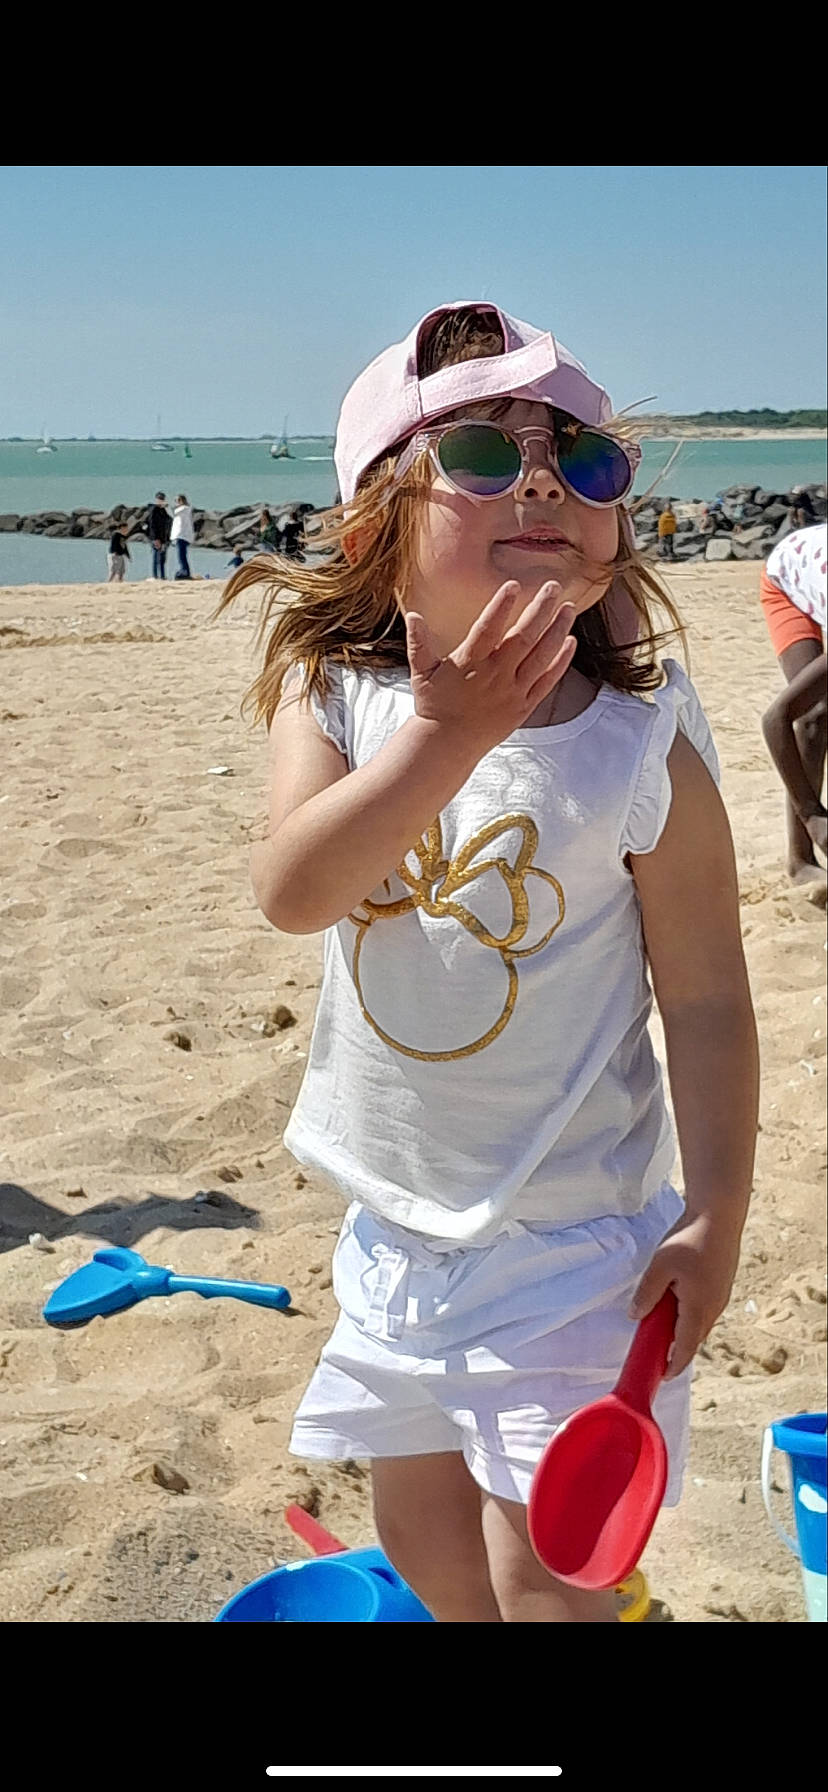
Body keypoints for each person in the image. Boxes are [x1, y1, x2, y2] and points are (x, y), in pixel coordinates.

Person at [215, 300, 759, 1623]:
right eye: (476, 453)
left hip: (577, 1248)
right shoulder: (338, 691)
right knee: (429, 1552)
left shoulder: (637, 743)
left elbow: (706, 997)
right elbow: (297, 891)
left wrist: (714, 1217)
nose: (539, 478)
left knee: (547, 1583)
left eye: (582, 458)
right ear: (370, 533)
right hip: (396, 1234)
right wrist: (443, 740)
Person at [759, 522, 827, 893]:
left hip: (816, 567)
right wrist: (813, 814)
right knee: (814, 715)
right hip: (786, 579)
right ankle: (801, 860)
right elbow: (775, 720)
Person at [147, 492, 171, 580]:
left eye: (162, 499)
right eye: (159, 499)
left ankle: (163, 576)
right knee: (157, 557)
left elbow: (170, 520)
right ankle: (155, 576)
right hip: (156, 538)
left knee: (162, 559)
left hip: (164, 537)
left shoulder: (163, 510)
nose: (161, 501)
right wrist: (155, 538)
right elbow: (152, 525)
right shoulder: (154, 509)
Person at [171, 493, 195, 579]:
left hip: (181, 535)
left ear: (181, 501)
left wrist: (165, 506)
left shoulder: (184, 509)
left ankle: (185, 572)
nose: (175, 503)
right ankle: (184, 571)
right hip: (182, 535)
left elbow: (171, 512)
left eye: (176, 501)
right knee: (182, 555)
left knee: (181, 556)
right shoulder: (185, 509)